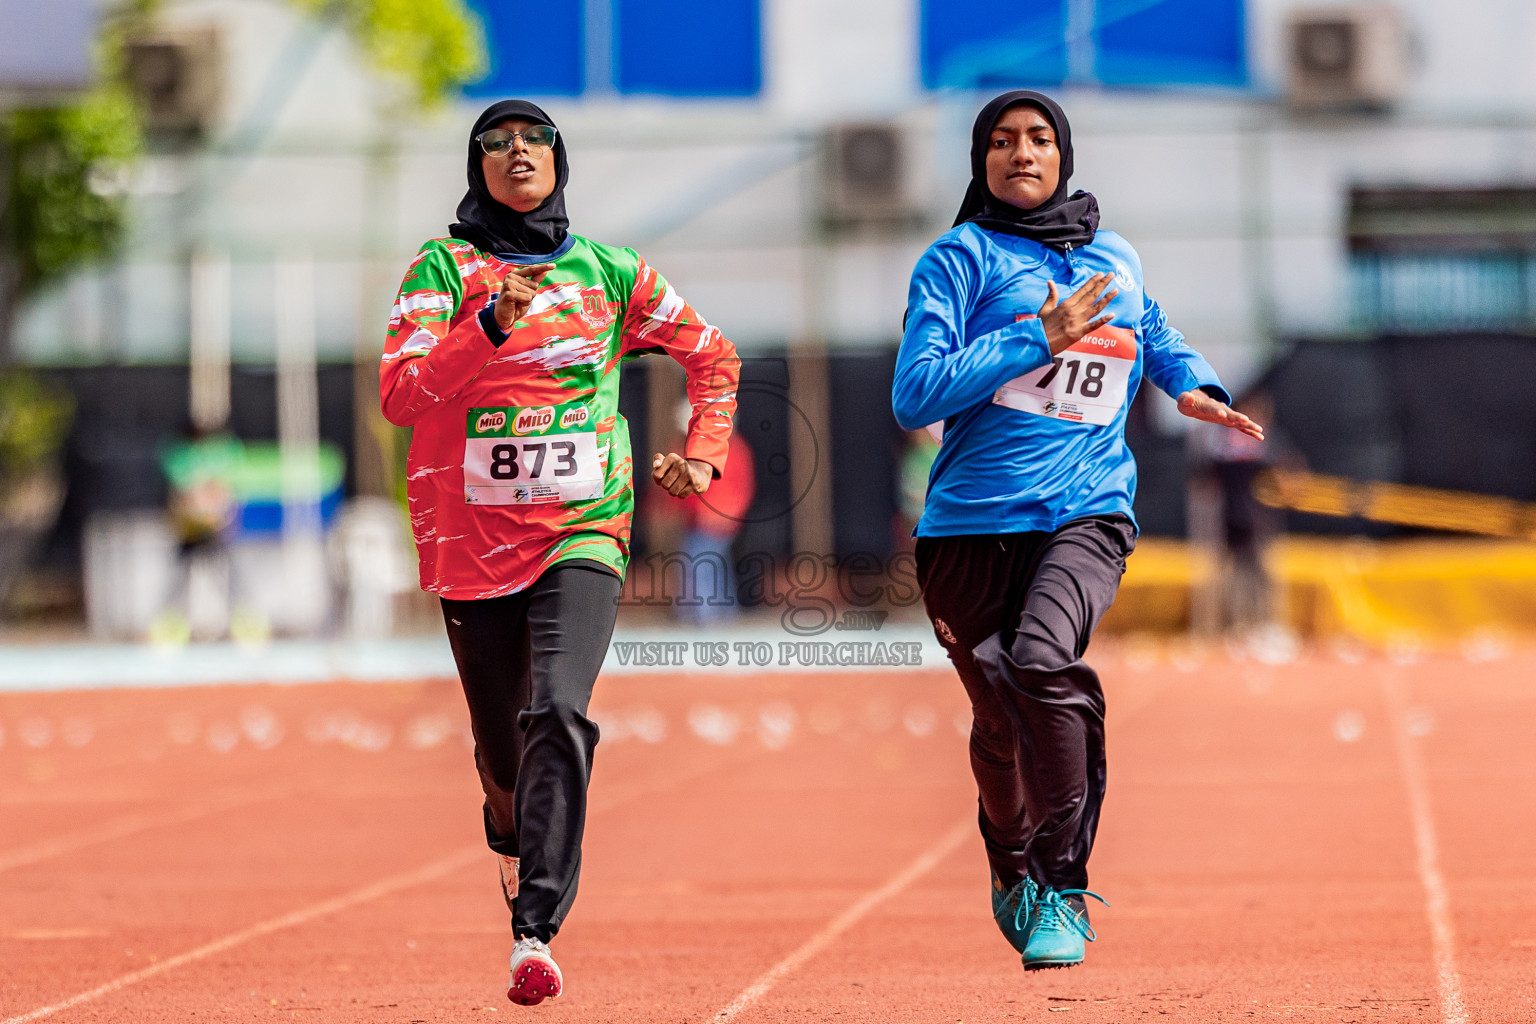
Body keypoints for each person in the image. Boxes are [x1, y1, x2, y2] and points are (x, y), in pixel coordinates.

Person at [380, 99, 740, 1006]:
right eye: (495, 144)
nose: (518, 153)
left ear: (558, 157)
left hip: (582, 528)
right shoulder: (442, 269)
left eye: (533, 139)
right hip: (470, 541)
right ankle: (510, 831)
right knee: (505, 757)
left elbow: (713, 353)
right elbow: (401, 393)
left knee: (561, 711)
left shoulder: (610, 272)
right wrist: (488, 327)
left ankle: (535, 928)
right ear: (478, 169)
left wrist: (703, 452)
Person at [892, 91, 1262, 971]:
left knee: (1044, 665)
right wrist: (1038, 335)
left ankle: (1061, 887)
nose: (1023, 152)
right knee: (997, 713)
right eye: (1004, 141)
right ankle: (1008, 859)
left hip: (1086, 509)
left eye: (1040, 138)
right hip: (968, 526)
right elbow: (916, 392)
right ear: (982, 159)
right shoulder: (958, 260)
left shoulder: (1115, 256)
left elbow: (1153, 327)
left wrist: (1190, 382)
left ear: (1064, 156)